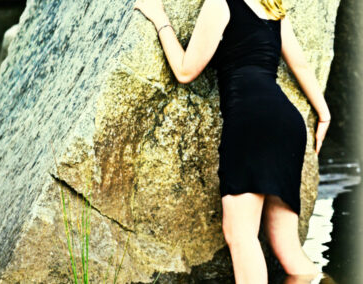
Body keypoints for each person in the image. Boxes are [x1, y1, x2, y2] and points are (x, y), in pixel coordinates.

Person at [133, 0, 331, 283]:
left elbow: (185, 71)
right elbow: (299, 64)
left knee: (240, 235)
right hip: (288, 123)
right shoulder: (272, 7)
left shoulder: (220, 4)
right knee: (286, 246)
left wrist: (160, 18)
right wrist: (324, 114)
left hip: (251, 123)